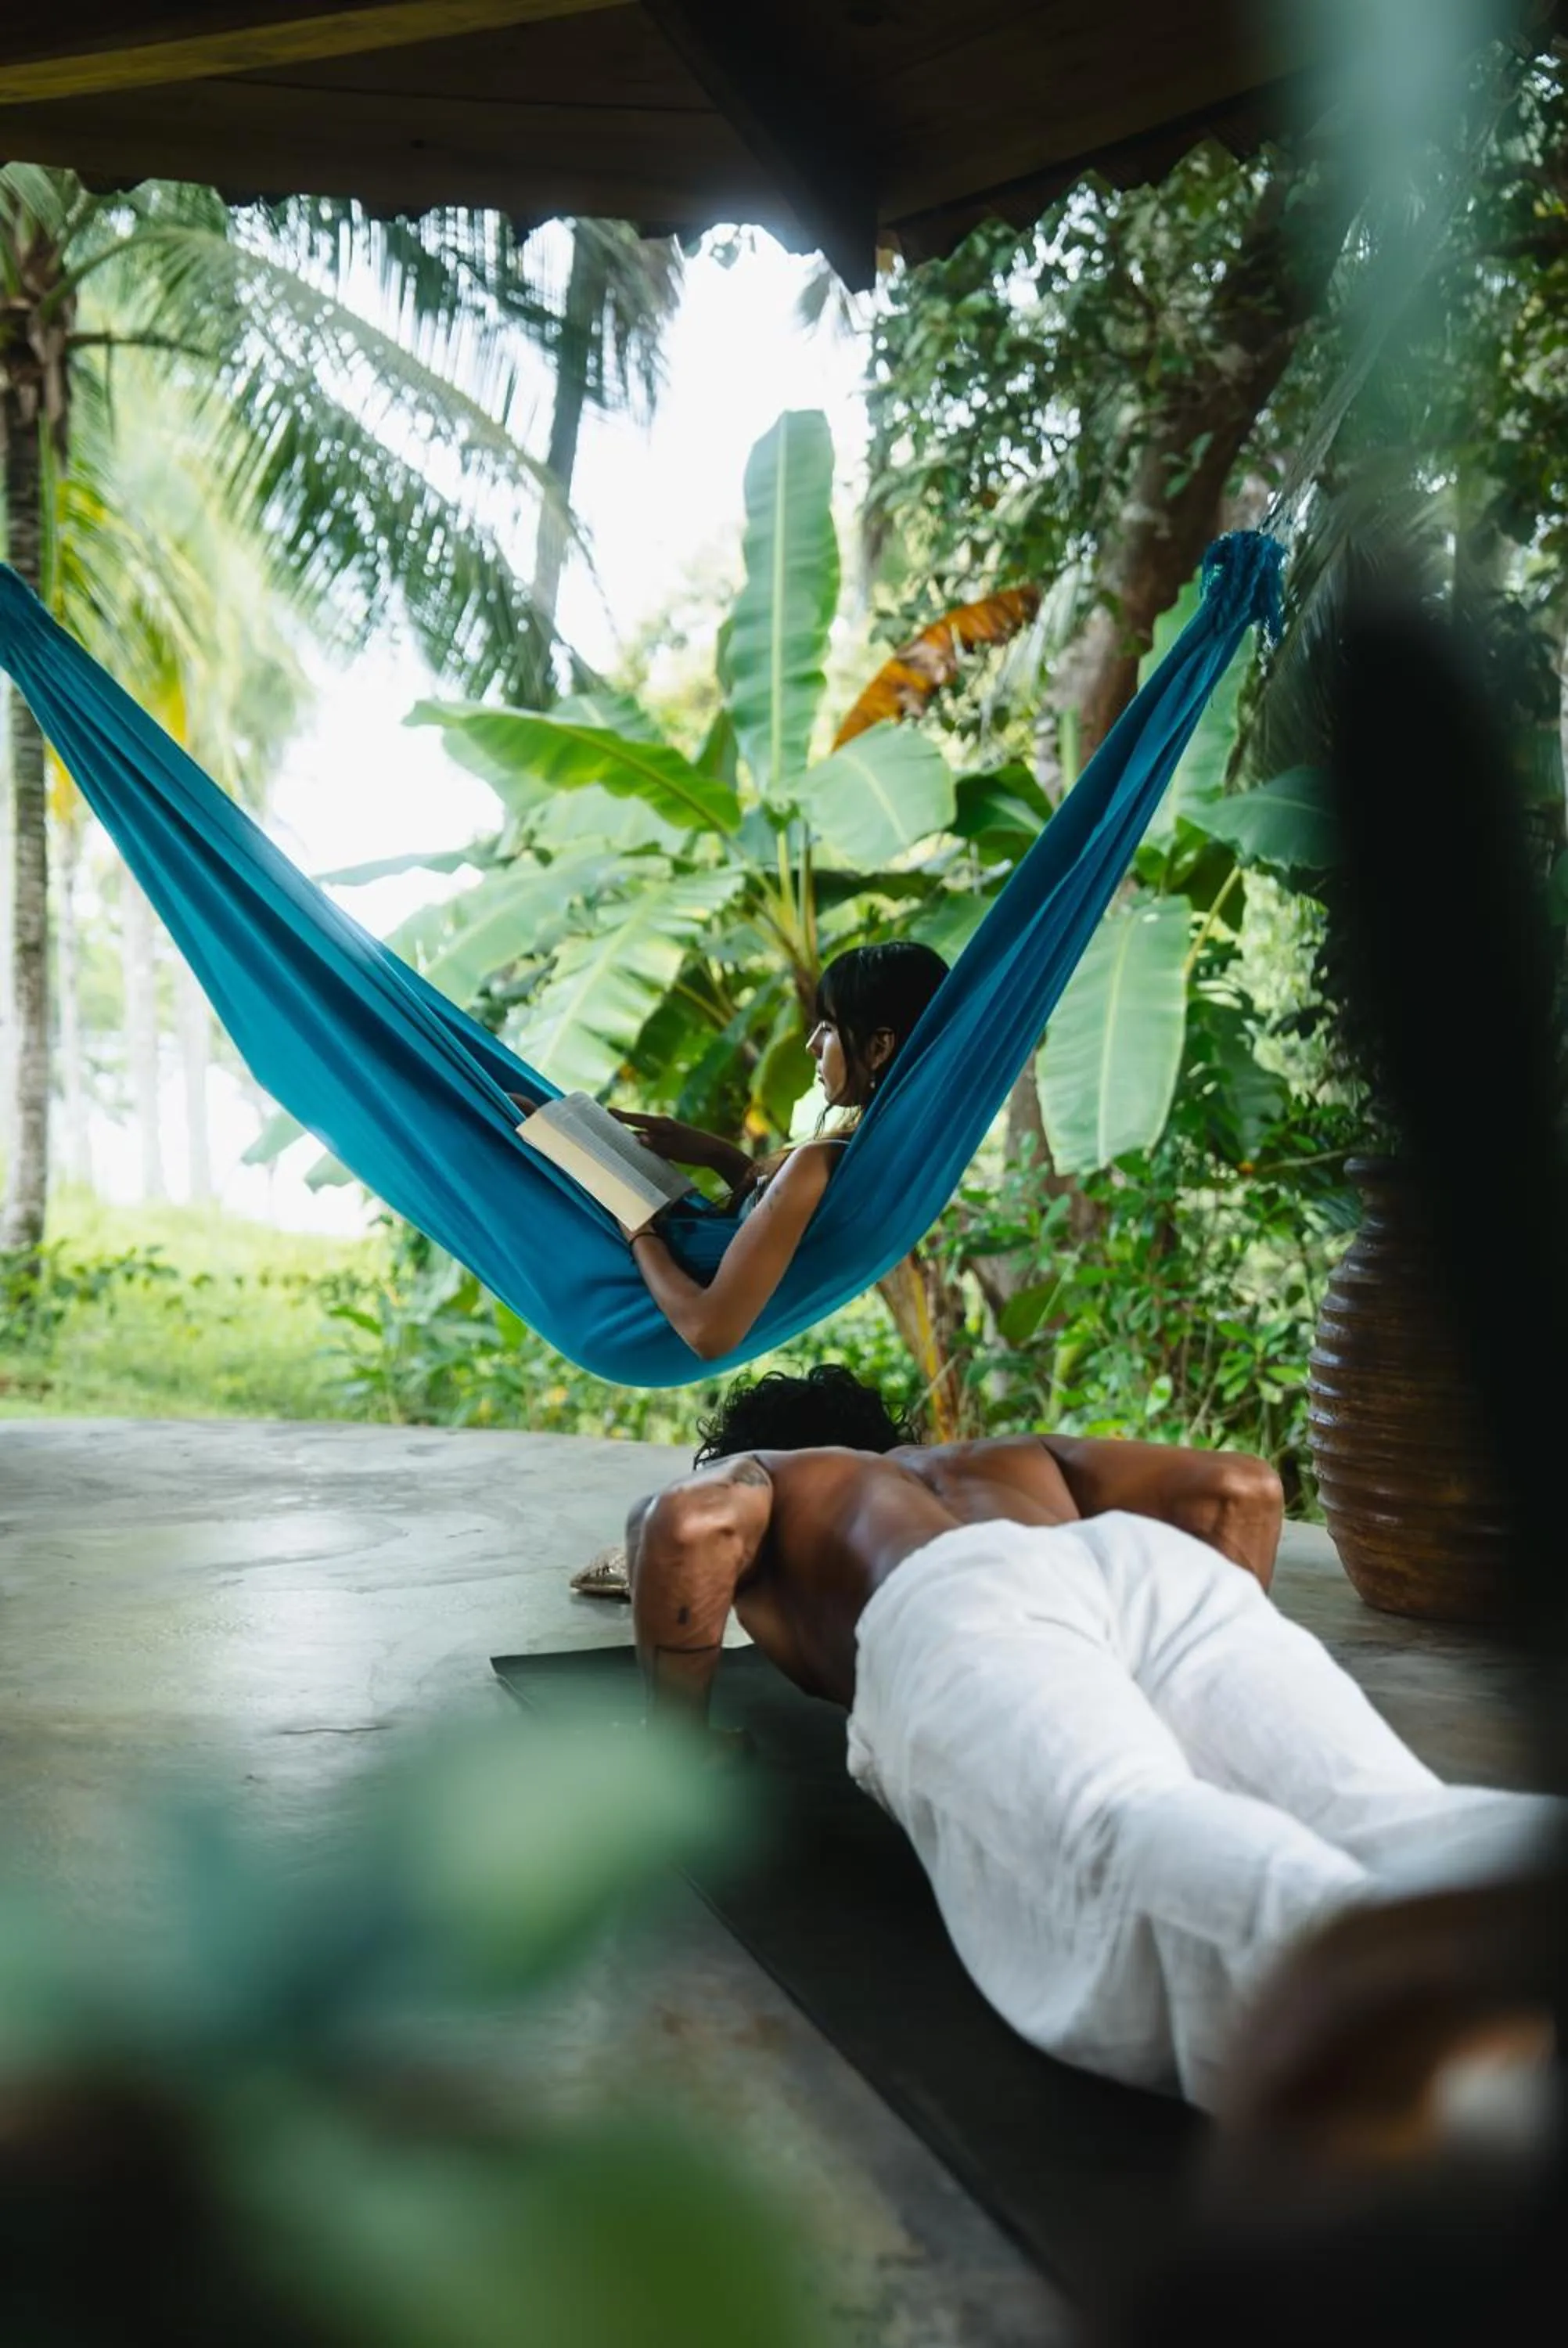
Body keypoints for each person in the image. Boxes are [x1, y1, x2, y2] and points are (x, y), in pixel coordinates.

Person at [624, 1367, 1553, 2111]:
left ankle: (1442, 2060)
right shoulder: (1003, 1457)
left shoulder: (773, 1477)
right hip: (1148, 1570)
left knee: (1124, 1833)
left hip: (957, 1601)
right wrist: (1181, 1715)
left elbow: (690, 1523)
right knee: (1382, 1812)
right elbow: (1239, 1488)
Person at [513, 942, 948, 1364]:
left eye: (829, 1028)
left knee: (515, 1117)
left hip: (646, 1303)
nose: (811, 1044)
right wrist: (715, 1153)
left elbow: (709, 1331)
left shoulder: (821, 1161)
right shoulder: (875, 1152)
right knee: (526, 1114)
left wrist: (637, 1230)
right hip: (660, 1264)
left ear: (879, 1048)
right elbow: (793, 1225)